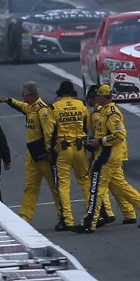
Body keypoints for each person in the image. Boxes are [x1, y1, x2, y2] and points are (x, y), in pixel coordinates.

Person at [75, 85, 140, 233]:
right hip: (108, 155)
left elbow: (120, 135)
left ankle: (89, 223)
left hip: (107, 157)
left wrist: (100, 142)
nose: (96, 99)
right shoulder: (104, 112)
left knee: (96, 189)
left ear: (102, 97)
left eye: (98, 96)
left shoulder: (112, 114)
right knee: (122, 187)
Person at [0, 82, 61, 227]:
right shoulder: (30, 108)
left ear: (31, 95)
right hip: (33, 157)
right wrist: (9, 101)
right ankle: (24, 219)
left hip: (45, 157)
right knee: (30, 188)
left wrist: (49, 152)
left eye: (24, 94)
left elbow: (49, 133)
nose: (22, 97)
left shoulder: (43, 110)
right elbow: (21, 106)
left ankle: (63, 216)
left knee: (55, 187)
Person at [85, 84, 135, 225]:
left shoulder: (99, 113)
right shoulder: (104, 111)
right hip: (114, 151)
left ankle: (106, 213)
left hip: (109, 153)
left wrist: (95, 151)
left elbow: (100, 135)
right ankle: (130, 213)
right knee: (118, 184)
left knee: (100, 184)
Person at [48, 80, 90, 231]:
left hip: (63, 150)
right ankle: (89, 216)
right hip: (80, 148)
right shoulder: (82, 105)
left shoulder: (54, 107)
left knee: (63, 186)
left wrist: (51, 151)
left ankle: (68, 220)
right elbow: (86, 126)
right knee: (85, 182)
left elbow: (51, 132)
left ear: (60, 92)